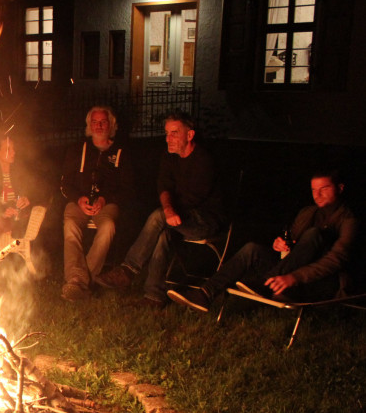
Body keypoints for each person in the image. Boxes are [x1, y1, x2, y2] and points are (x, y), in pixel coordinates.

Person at [169, 169, 358, 312]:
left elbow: (336, 260)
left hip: (322, 281)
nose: (317, 195)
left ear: (340, 188)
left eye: (324, 188)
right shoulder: (308, 213)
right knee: (252, 249)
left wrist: (295, 277)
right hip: (286, 273)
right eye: (314, 190)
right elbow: (293, 247)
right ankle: (205, 294)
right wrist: (281, 245)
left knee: (315, 234)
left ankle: (265, 283)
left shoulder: (349, 220)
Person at [96, 113, 225, 307]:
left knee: (159, 216)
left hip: (205, 220)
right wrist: (168, 209)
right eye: (166, 133)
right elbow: (163, 186)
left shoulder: (204, 160)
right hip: (179, 216)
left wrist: (168, 211)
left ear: (189, 135)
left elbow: (193, 199)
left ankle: (128, 270)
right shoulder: (169, 156)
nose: (168, 139)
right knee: (162, 231)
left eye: (174, 133)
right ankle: (154, 296)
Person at [59, 107, 131, 301]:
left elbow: (126, 188)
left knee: (107, 227)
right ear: (89, 126)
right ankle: (81, 280)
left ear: (111, 125)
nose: (99, 126)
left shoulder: (121, 153)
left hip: (107, 204)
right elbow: (65, 183)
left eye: (103, 122)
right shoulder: (77, 150)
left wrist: (104, 199)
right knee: (71, 225)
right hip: (79, 202)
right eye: (95, 122)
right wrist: (78, 199)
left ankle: (78, 281)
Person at [0, 133, 47, 249]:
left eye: (13, 149)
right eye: (7, 149)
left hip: (17, 219)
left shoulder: (20, 173)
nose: (13, 152)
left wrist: (28, 199)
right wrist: (2, 211)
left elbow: (41, 191)